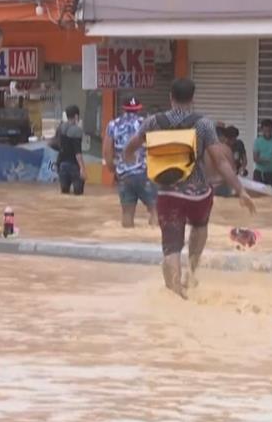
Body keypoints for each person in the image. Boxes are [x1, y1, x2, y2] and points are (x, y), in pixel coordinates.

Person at [124, 78, 256, 299]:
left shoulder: (153, 122)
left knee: (171, 247)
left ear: (170, 97)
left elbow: (131, 147)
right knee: (200, 227)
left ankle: (176, 296)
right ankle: (192, 272)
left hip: (169, 194)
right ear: (193, 98)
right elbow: (221, 161)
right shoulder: (203, 124)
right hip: (199, 194)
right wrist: (240, 189)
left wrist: (128, 161)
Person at [104, 96, 158, 228]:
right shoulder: (146, 123)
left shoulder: (113, 125)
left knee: (127, 213)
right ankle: (154, 243)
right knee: (155, 211)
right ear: (139, 109)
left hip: (124, 175)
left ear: (123, 108)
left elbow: (106, 151)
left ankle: (126, 241)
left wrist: (113, 169)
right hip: (144, 173)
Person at [56, 105, 86, 195]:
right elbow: (78, 153)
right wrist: (82, 168)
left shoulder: (60, 128)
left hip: (62, 165)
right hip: (74, 166)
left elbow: (57, 145)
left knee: (64, 193)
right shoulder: (77, 130)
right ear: (76, 116)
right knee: (78, 194)